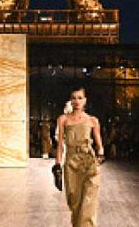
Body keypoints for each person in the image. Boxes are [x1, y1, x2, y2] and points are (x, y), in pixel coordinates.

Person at [55, 87, 104, 227]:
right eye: (74, 98)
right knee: (75, 204)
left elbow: (99, 145)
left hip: (89, 162)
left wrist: (99, 157)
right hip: (71, 163)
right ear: (71, 100)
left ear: (85, 100)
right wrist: (57, 167)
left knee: (89, 204)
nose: (77, 101)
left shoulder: (93, 120)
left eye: (80, 98)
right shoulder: (63, 119)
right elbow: (60, 145)